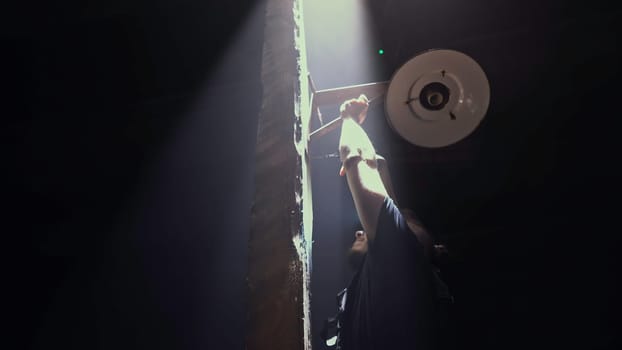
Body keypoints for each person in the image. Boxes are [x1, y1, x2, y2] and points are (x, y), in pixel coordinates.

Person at [322, 95, 452, 350]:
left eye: (406, 220)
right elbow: (386, 200)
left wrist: (349, 116)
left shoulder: (404, 265)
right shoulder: (406, 270)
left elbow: (354, 159)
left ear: (432, 248)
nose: (360, 231)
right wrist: (373, 163)